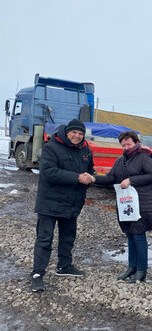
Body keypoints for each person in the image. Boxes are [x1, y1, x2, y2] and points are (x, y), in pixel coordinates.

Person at [31, 119, 95, 292]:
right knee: (44, 239)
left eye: (80, 134)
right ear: (67, 132)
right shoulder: (51, 147)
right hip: (49, 203)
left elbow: (90, 170)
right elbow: (49, 172)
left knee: (68, 237)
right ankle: (37, 274)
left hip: (72, 203)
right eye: (74, 132)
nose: (77, 136)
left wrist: (90, 178)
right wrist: (77, 178)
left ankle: (64, 265)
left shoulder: (85, 150)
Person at [93, 131, 152, 283]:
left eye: (129, 144)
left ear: (136, 142)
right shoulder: (120, 160)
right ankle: (131, 267)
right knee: (129, 234)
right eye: (123, 145)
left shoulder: (144, 156)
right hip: (126, 204)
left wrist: (131, 180)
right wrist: (93, 178)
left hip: (141, 202)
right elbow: (110, 178)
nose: (126, 147)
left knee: (139, 235)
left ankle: (141, 270)